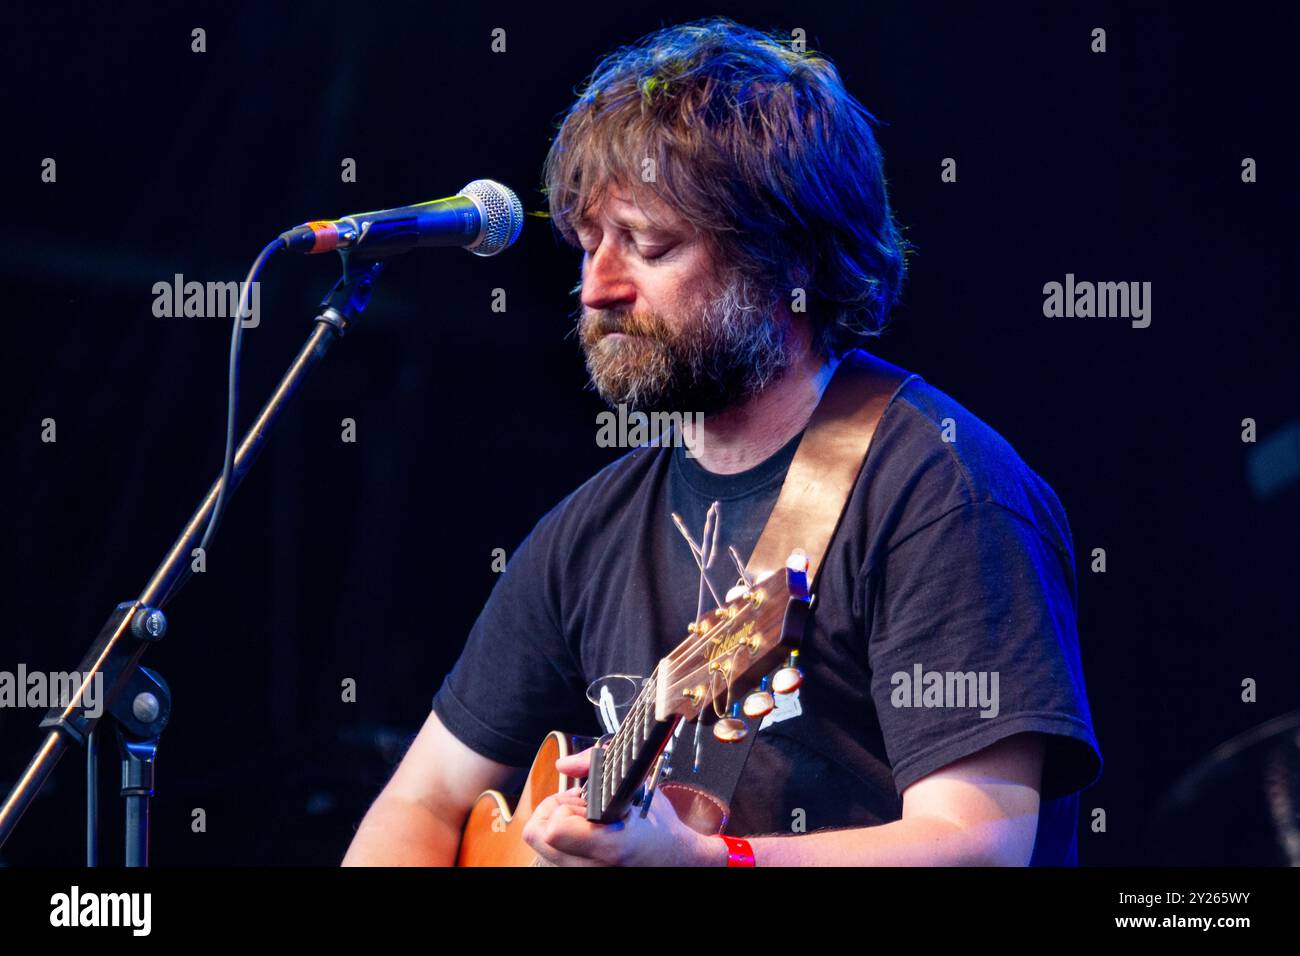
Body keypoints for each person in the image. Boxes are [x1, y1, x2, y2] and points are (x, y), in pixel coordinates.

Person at [342, 17, 1101, 867]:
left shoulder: (940, 488)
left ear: (789, 259)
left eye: (649, 244)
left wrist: (709, 863)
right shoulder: (585, 535)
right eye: (588, 244)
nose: (598, 287)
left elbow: (981, 847)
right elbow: (419, 800)